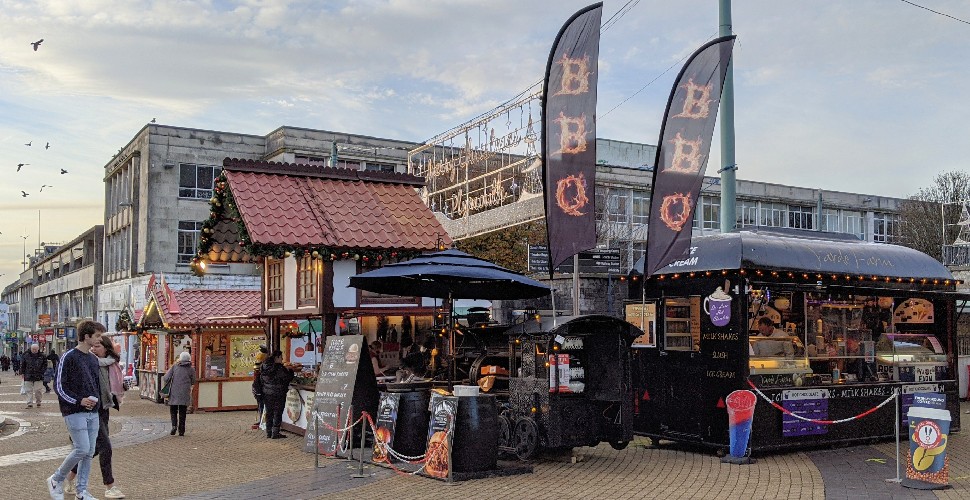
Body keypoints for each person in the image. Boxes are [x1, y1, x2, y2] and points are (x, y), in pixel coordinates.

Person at [46, 320, 106, 500]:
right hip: (74, 411)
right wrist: (78, 401)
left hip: (92, 412)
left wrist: (97, 404)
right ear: (86, 336)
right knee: (82, 449)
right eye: (97, 336)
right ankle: (56, 479)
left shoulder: (93, 359)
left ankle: (82, 491)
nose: (99, 340)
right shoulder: (69, 356)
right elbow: (59, 386)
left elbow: (95, 384)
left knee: (89, 452)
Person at [64, 336, 127, 499]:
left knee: (94, 449)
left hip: (104, 407)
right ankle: (110, 486)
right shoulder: (91, 363)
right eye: (93, 345)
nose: (94, 349)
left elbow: (114, 384)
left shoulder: (110, 364)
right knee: (105, 446)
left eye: (98, 346)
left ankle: (69, 477)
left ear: (106, 348)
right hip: (92, 409)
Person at [259, 349, 294, 439]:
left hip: (266, 392)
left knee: (269, 412)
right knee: (278, 412)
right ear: (277, 357)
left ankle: (268, 432)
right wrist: (290, 371)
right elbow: (287, 377)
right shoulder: (279, 367)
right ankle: (275, 432)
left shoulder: (264, 366)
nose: (282, 359)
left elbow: (262, 379)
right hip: (278, 392)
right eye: (281, 357)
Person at [162, 351, 197, 436]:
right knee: (183, 411)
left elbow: (166, 378)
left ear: (180, 358)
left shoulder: (174, 367)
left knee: (173, 409)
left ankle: (174, 426)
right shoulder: (191, 369)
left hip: (174, 391)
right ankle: (181, 430)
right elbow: (193, 381)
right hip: (185, 392)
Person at [23, 343, 48, 408]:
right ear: (31, 349)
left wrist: (42, 372)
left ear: (38, 349)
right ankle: (29, 403)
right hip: (28, 375)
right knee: (28, 390)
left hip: (39, 376)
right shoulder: (26, 355)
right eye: (33, 349)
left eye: (35, 349)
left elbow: (45, 365)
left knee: (38, 390)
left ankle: (38, 401)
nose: (34, 350)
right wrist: (22, 373)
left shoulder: (42, 356)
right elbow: (23, 364)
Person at [251, 346, 268, 429]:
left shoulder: (259, 361)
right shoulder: (261, 362)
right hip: (259, 386)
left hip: (258, 386)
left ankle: (262, 420)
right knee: (261, 404)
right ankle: (262, 420)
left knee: (261, 405)